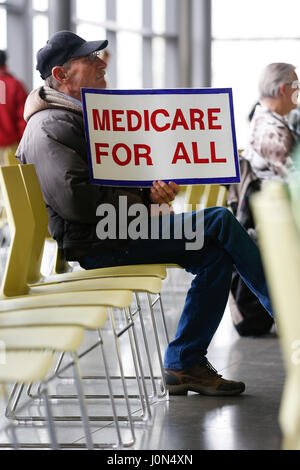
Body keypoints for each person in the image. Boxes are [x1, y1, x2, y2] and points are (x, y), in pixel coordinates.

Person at [16, 30, 274, 397]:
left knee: (214, 255)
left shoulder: (77, 119)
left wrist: (149, 191)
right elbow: (75, 199)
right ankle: (286, 313)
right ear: (61, 75)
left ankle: (185, 362)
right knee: (220, 220)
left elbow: (108, 183)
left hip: (117, 229)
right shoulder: (49, 127)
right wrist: (142, 198)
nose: (101, 63)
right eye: (89, 60)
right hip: (100, 240)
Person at [227, 63, 299, 337]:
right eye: (296, 86)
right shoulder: (272, 131)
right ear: (283, 90)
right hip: (283, 225)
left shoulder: (266, 121)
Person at [0, 50, 27, 165]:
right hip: (11, 148)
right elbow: (23, 118)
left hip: (9, 146)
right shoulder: (14, 85)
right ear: (5, 64)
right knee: (11, 182)